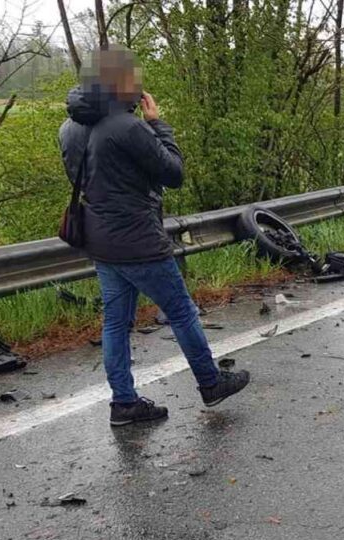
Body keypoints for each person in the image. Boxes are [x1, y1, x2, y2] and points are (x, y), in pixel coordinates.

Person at [58, 47, 250, 426]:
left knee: (115, 322)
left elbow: (92, 180)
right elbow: (173, 173)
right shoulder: (128, 126)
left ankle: (124, 403)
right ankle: (211, 383)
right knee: (181, 311)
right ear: (117, 82)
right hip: (139, 242)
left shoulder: (68, 128)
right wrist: (158, 124)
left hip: (101, 241)